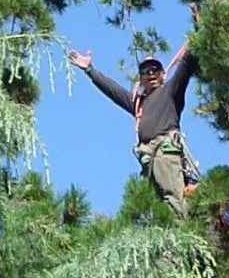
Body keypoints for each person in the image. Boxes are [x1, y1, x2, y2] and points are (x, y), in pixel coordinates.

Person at [68, 46, 199, 217]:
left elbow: (186, 66)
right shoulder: (139, 103)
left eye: (155, 69)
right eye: (145, 71)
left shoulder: (170, 92)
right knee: (157, 210)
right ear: (141, 79)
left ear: (163, 74)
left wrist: (198, 30)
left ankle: (182, 236)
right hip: (149, 162)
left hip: (165, 154)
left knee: (174, 201)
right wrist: (90, 70)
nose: (151, 73)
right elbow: (113, 91)